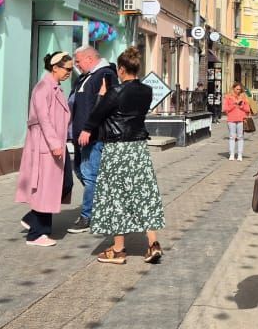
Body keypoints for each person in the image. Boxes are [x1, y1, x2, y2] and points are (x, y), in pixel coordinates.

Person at [78, 47, 165, 265]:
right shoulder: (147, 91)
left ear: (122, 69)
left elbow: (98, 114)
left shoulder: (115, 92)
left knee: (115, 196)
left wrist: (101, 97)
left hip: (117, 149)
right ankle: (153, 243)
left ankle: (118, 249)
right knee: (144, 193)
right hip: (138, 148)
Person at [16, 52, 74, 246]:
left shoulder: (56, 88)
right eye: (68, 69)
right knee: (46, 188)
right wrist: (54, 143)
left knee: (63, 184)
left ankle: (32, 219)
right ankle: (37, 234)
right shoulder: (43, 88)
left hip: (55, 144)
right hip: (46, 145)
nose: (69, 73)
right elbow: (44, 119)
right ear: (55, 67)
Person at [66, 47, 118, 234]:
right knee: (81, 172)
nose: (76, 65)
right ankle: (100, 206)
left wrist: (89, 128)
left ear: (89, 58)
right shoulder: (85, 77)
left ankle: (87, 216)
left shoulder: (105, 75)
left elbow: (104, 106)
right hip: (80, 136)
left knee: (89, 175)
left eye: (78, 61)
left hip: (94, 136)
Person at [223, 83, 253, 161]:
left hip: (241, 119)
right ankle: (232, 154)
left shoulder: (244, 97)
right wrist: (234, 104)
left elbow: (248, 109)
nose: (238, 91)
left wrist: (241, 106)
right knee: (232, 137)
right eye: (237, 89)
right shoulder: (228, 97)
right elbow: (225, 109)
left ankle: (240, 154)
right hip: (231, 119)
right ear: (233, 89)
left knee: (240, 137)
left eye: (240, 89)